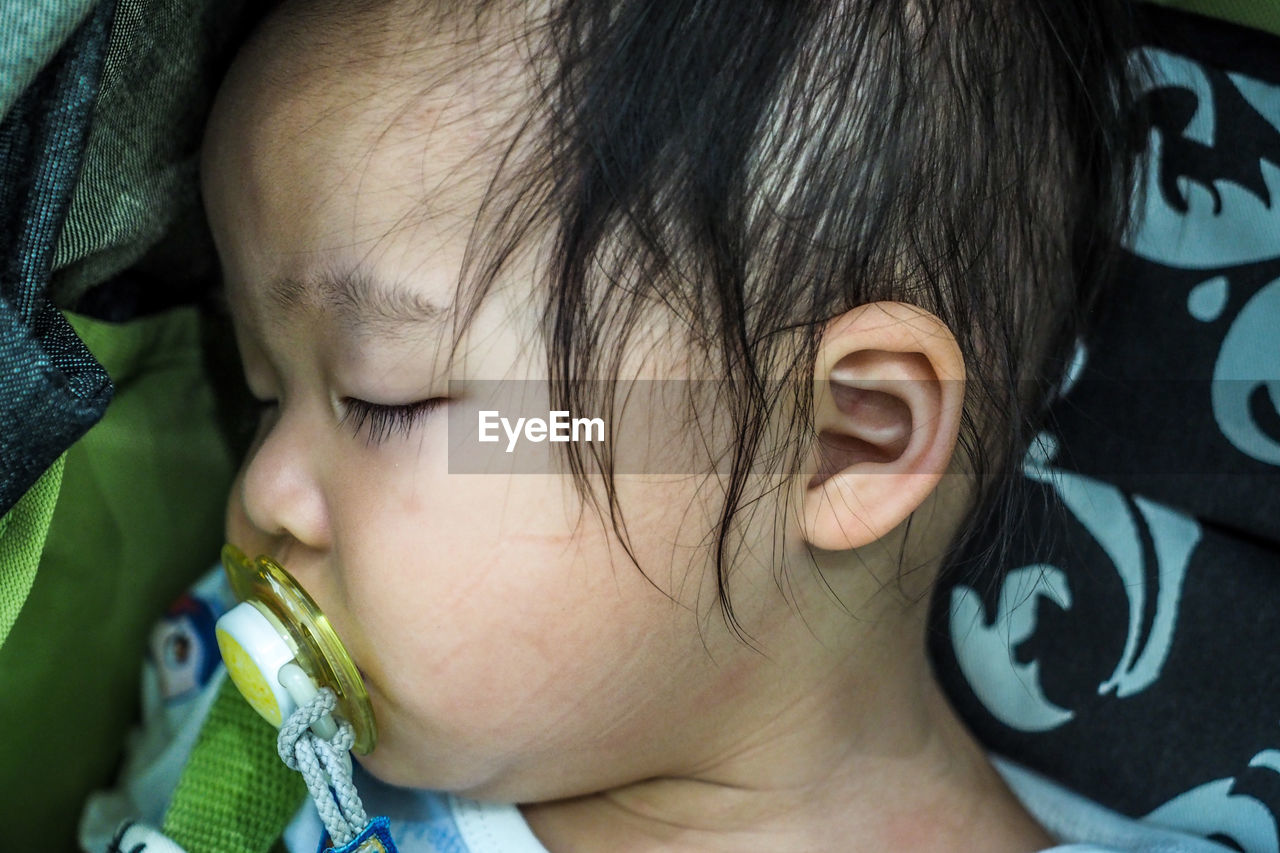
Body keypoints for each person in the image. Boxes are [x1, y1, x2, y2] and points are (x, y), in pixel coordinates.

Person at [80, 0, 1233, 850]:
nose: (266, 490)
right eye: (263, 392)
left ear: (842, 437)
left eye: (385, 397)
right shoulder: (255, 740)